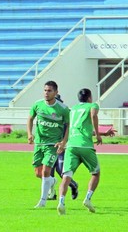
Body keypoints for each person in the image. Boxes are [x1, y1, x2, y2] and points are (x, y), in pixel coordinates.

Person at [57, 88, 102, 215]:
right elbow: (93, 115)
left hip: (71, 146)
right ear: (89, 97)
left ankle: (61, 202)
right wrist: (98, 134)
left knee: (66, 176)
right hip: (85, 146)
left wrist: (63, 143)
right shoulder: (92, 105)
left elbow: (73, 128)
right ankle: (87, 199)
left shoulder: (73, 109)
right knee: (96, 173)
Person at [27, 80, 70, 208]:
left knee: (46, 171)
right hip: (39, 143)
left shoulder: (63, 109)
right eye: (45, 90)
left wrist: (63, 142)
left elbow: (68, 126)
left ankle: (42, 201)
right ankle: (52, 181)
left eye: (49, 91)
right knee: (38, 173)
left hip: (53, 144)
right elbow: (30, 118)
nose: (46, 93)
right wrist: (29, 134)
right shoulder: (37, 104)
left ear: (56, 92)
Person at [48, 94, 79, 200]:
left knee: (61, 171)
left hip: (63, 146)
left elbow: (72, 129)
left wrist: (64, 142)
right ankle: (51, 194)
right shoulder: (49, 114)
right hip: (51, 146)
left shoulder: (66, 114)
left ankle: (73, 185)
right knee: (49, 171)